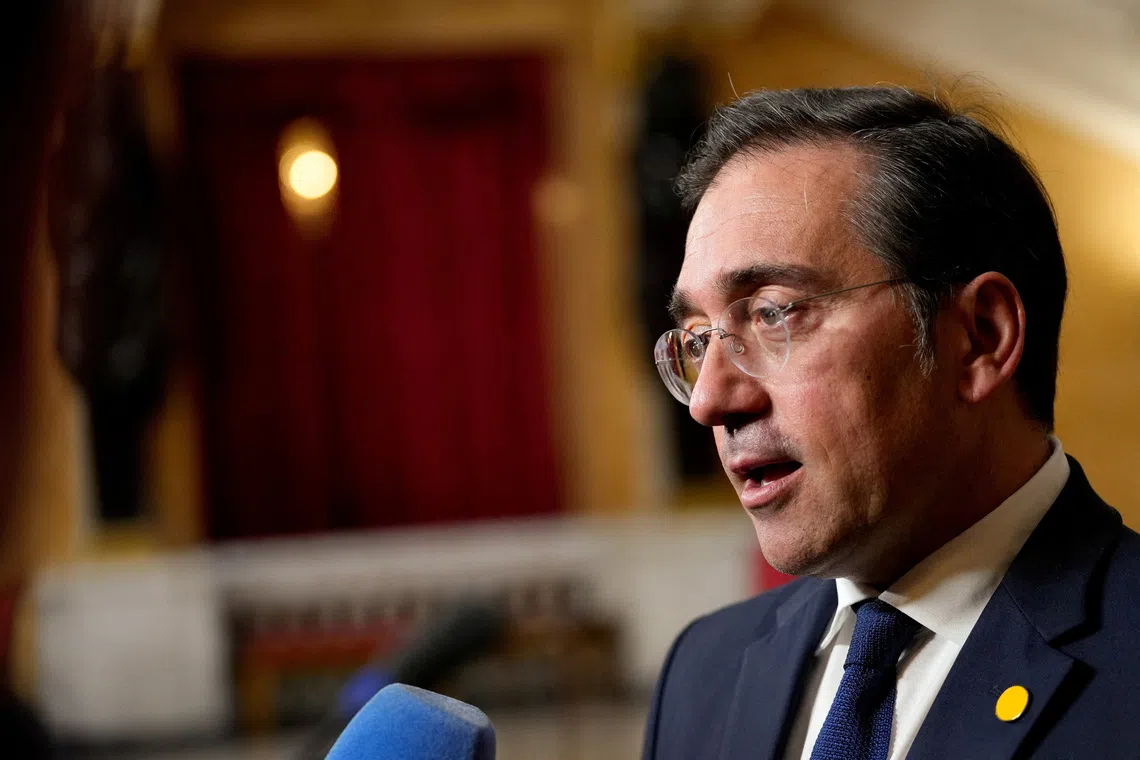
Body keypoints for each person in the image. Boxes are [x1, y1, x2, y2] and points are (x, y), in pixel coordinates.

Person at [641, 86, 1140, 760]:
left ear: (980, 338)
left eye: (772, 313)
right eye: (698, 339)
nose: (710, 402)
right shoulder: (703, 673)